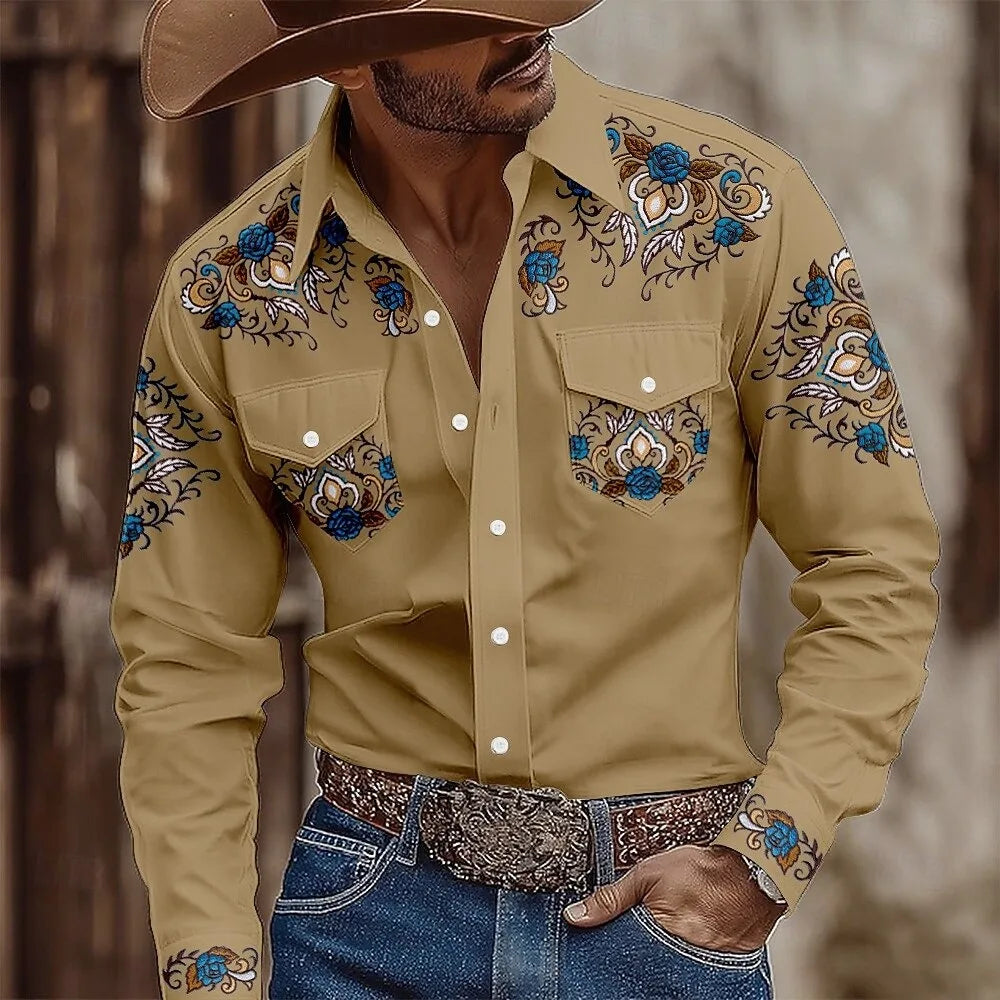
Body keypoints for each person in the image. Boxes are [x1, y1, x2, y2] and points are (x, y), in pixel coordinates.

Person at [110, 1, 941, 998]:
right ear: (346, 59)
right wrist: (211, 971)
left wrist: (764, 858)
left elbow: (872, 562)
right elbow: (185, 659)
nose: (523, 24)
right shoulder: (226, 294)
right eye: (469, 9)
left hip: (661, 933)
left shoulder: (733, 211)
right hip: (367, 925)